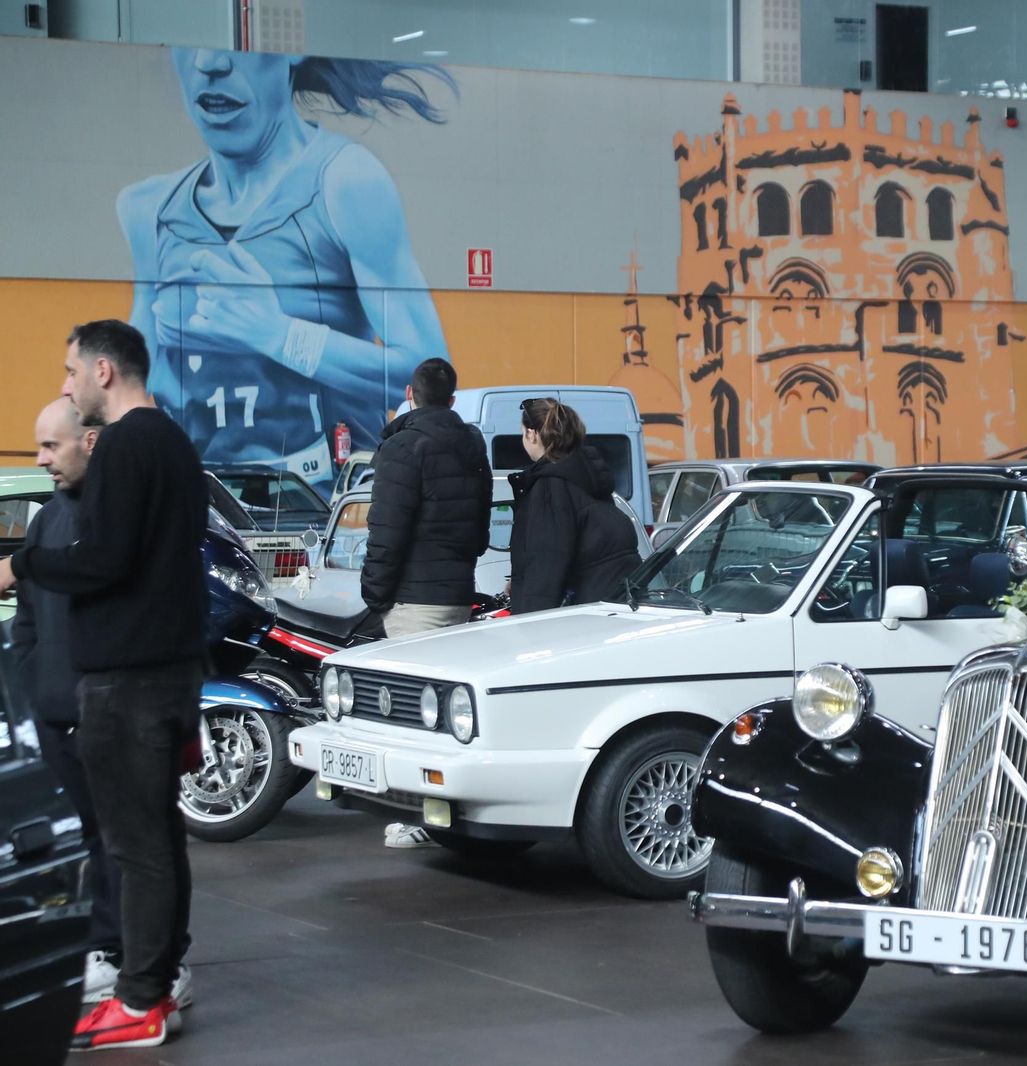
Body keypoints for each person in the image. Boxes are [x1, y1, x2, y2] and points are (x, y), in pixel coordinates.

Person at [0, 320, 208, 1050]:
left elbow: (102, 560)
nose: (65, 385)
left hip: (128, 683)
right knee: (158, 838)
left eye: (69, 372)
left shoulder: (124, 444)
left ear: (104, 372)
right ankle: (159, 981)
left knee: (136, 845)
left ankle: (141, 998)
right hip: (169, 674)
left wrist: (22, 566)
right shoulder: (176, 444)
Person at [118, 49, 455, 486]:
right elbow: (131, 385)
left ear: (289, 50)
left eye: (234, 45)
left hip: (321, 510)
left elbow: (430, 379)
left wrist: (277, 335)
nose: (209, 62)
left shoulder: (345, 182)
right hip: (197, 507)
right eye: (190, 40)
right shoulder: (148, 208)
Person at [12, 398, 140, 1008]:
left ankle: (117, 953)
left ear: (89, 442)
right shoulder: (46, 520)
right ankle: (86, 945)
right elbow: (30, 619)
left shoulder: (118, 517)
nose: (40, 460)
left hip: (108, 711)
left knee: (116, 839)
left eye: (50, 447)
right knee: (72, 839)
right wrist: (35, 682)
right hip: (54, 713)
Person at [359, 357, 490, 849]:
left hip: (411, 602)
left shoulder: (403, 448)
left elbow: (385, 533)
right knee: (448, 716)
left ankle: (421, 819)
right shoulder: (472, 444)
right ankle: (445, 815)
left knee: (415, 718)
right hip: (456, 593)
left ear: (410, 396)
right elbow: (479, 530)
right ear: (452, 400)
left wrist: (376, 596)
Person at [509, 398, 641, 615]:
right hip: (611, 606)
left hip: (580, 617)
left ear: (532, 434)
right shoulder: (586, 477)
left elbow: (547, 562)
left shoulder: (551, 485)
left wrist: (529, 624)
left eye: (523, 433)